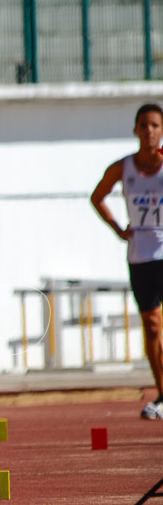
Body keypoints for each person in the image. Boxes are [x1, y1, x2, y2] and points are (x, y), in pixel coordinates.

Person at [91, 103, 163, 420]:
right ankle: (162, 394)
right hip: (141, 255)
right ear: (135, 130)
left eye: (155, 126)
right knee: (152, 326)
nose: (149, 131)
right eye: (144, 125)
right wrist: (119, 228)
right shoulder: (123, 168)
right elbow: (97, 196)